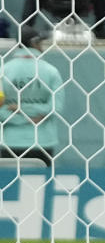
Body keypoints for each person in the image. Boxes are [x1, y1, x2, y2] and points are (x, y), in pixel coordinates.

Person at [0, 26, 63, 166]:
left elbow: (1, 111)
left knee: (8, 186)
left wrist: (19, 109)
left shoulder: (4, 71)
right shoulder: (51, 71)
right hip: (43, 142)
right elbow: (55, 108)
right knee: (41, 185)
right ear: (34, 43)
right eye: (41, 42)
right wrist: (35, 114)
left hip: (10, 140)